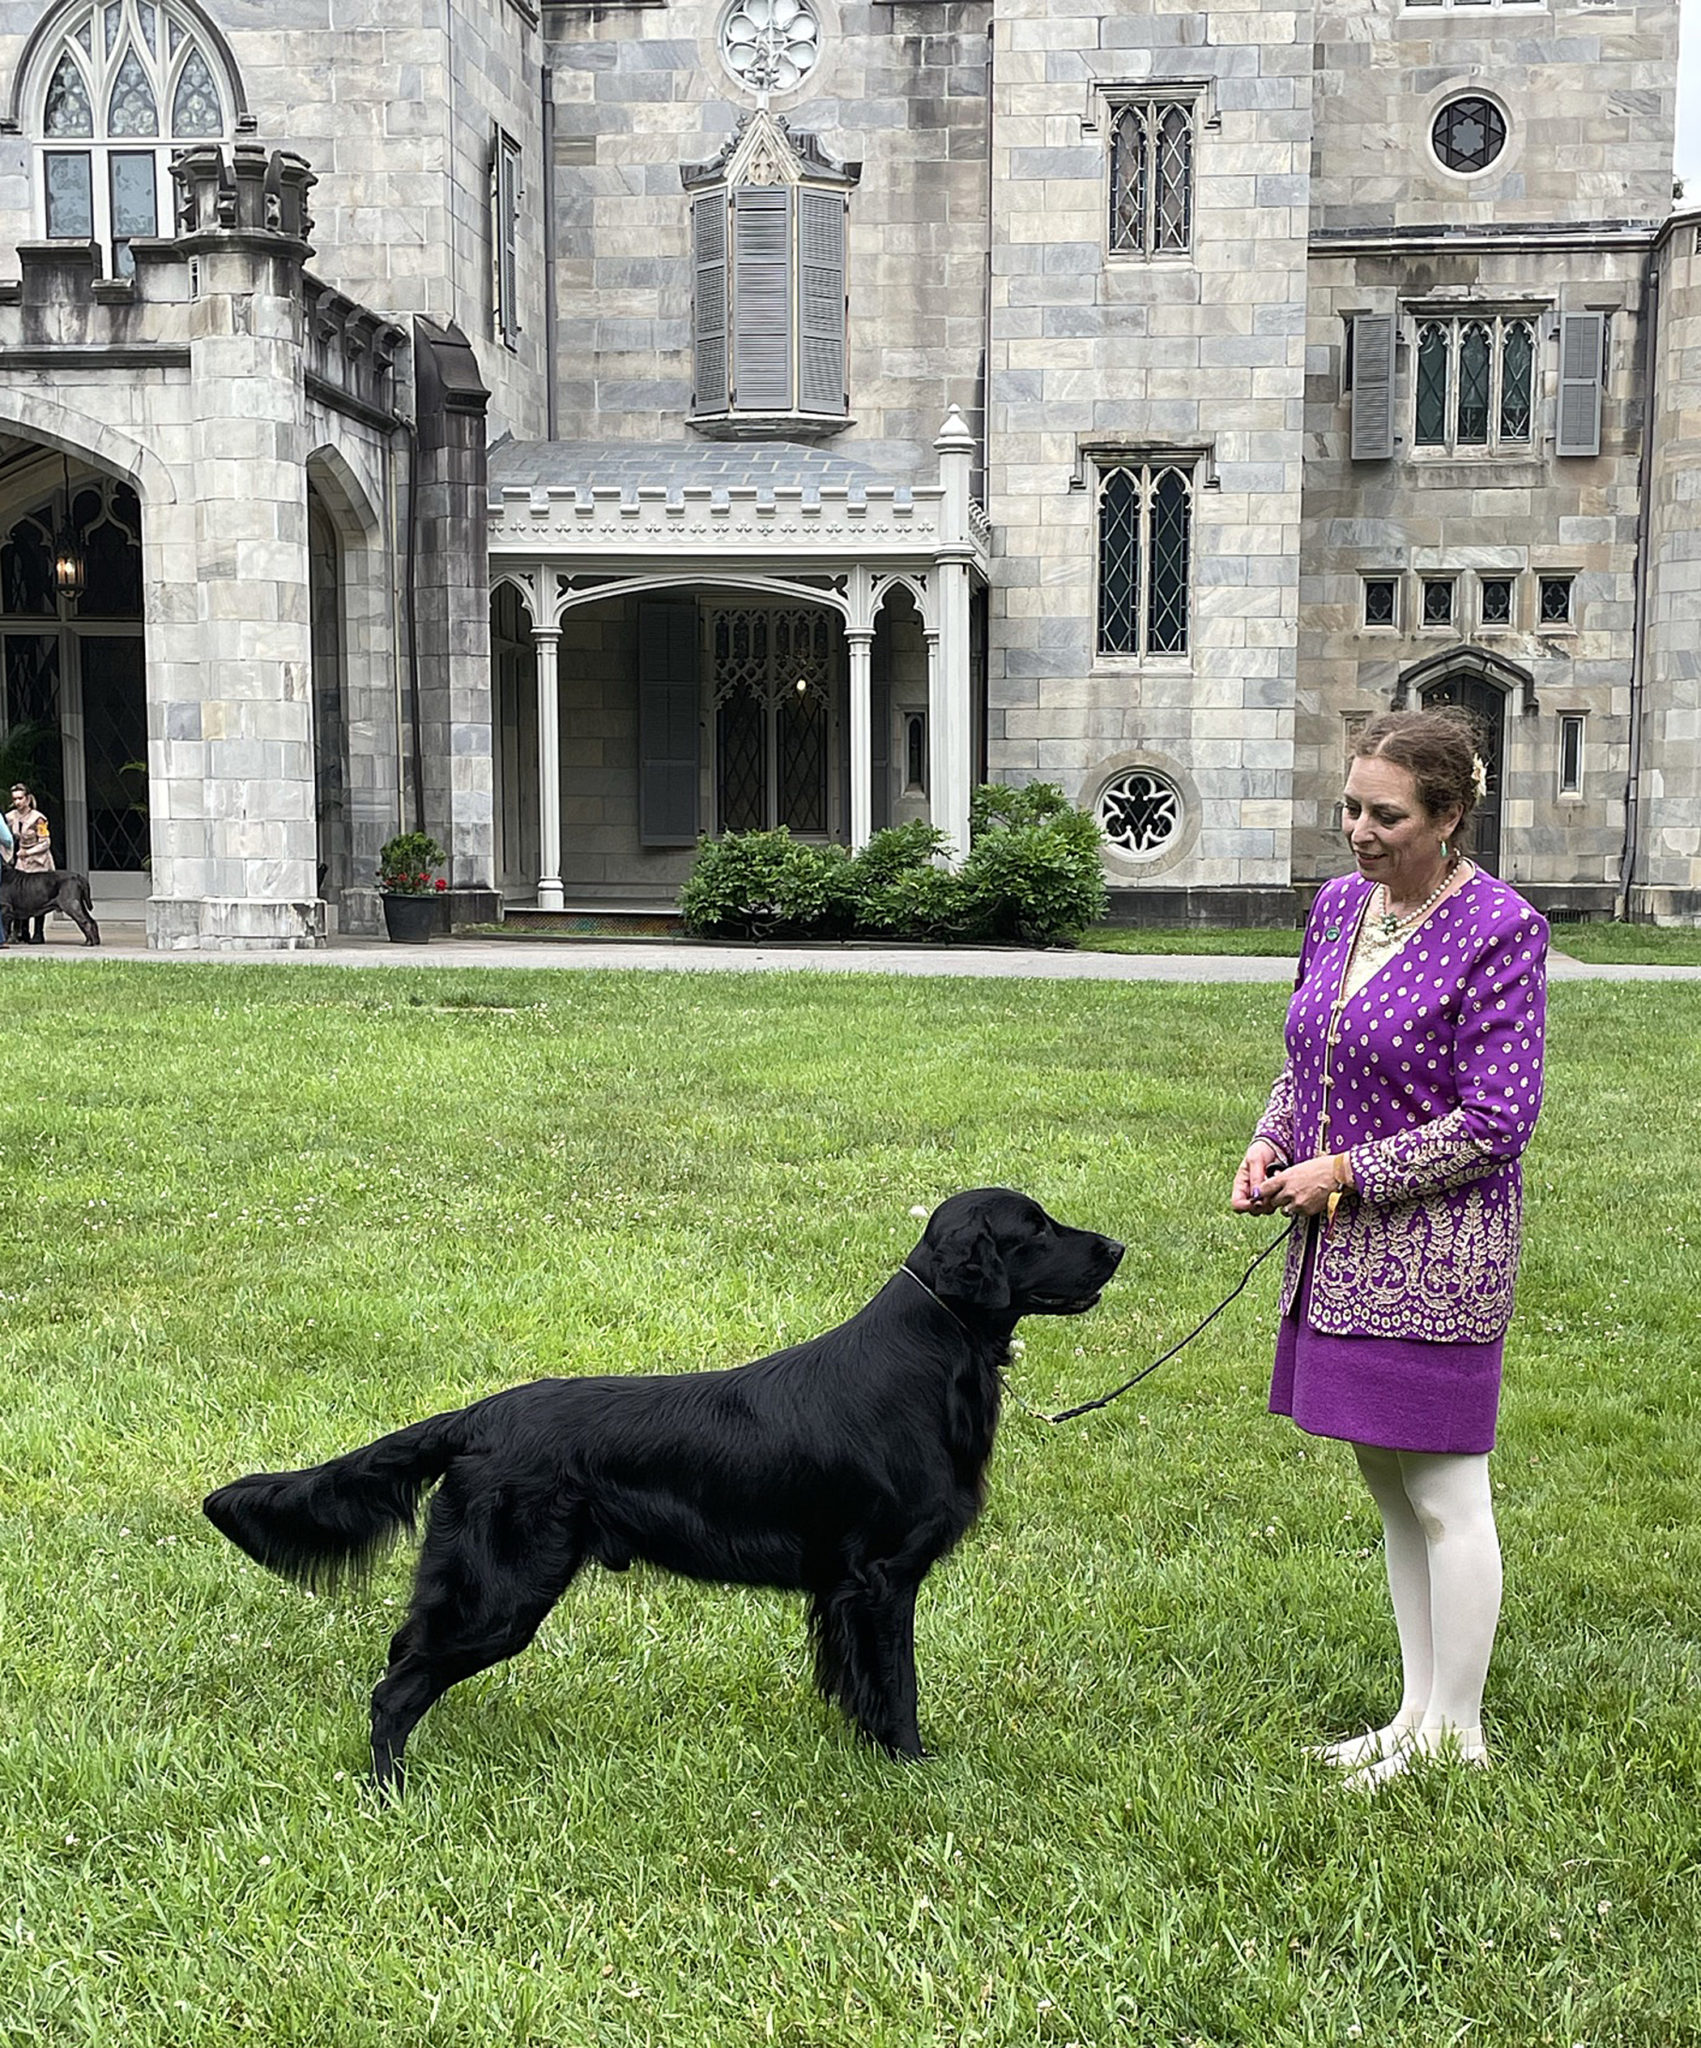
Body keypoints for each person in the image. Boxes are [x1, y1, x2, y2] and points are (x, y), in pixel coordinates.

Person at [1232, 708, 1548, 1788]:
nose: (1359, 829)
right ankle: (1414, 1714)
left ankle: (1458, 1732)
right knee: (1388, 1483)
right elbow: (1307, 1052)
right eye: (1352, 805)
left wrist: (1347, 1170)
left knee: (1450, 1496)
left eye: (1387, 813)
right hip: (1338, 1246)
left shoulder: (1502, 928)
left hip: (1440, 1251)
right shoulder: (1336, 909)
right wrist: (1274, 1137)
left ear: (1450, 816)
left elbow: (1497, 1117)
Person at [6, 783, 53, 943]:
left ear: (27, 799)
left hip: (38, 860)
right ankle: (21, 931)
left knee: (40, 895)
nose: (18, 802)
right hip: (20, 862)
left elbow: (45, 842)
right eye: (15, 799)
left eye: (20, 798)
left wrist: (28, 852)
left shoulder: (38, 818)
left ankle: (39, 932)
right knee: (20, 895)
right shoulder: (10, 817)